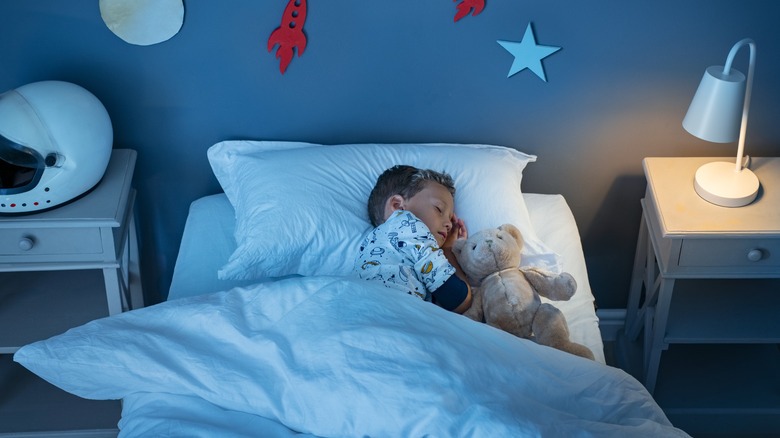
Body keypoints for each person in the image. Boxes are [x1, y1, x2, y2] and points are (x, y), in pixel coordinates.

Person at [353, 165, 472, 314]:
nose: (449, 224)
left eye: (450, 218)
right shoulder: (409, 225)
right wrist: (448, 250)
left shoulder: (369, 243)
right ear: (398, 206)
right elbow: (459, 300)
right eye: (439, 209)